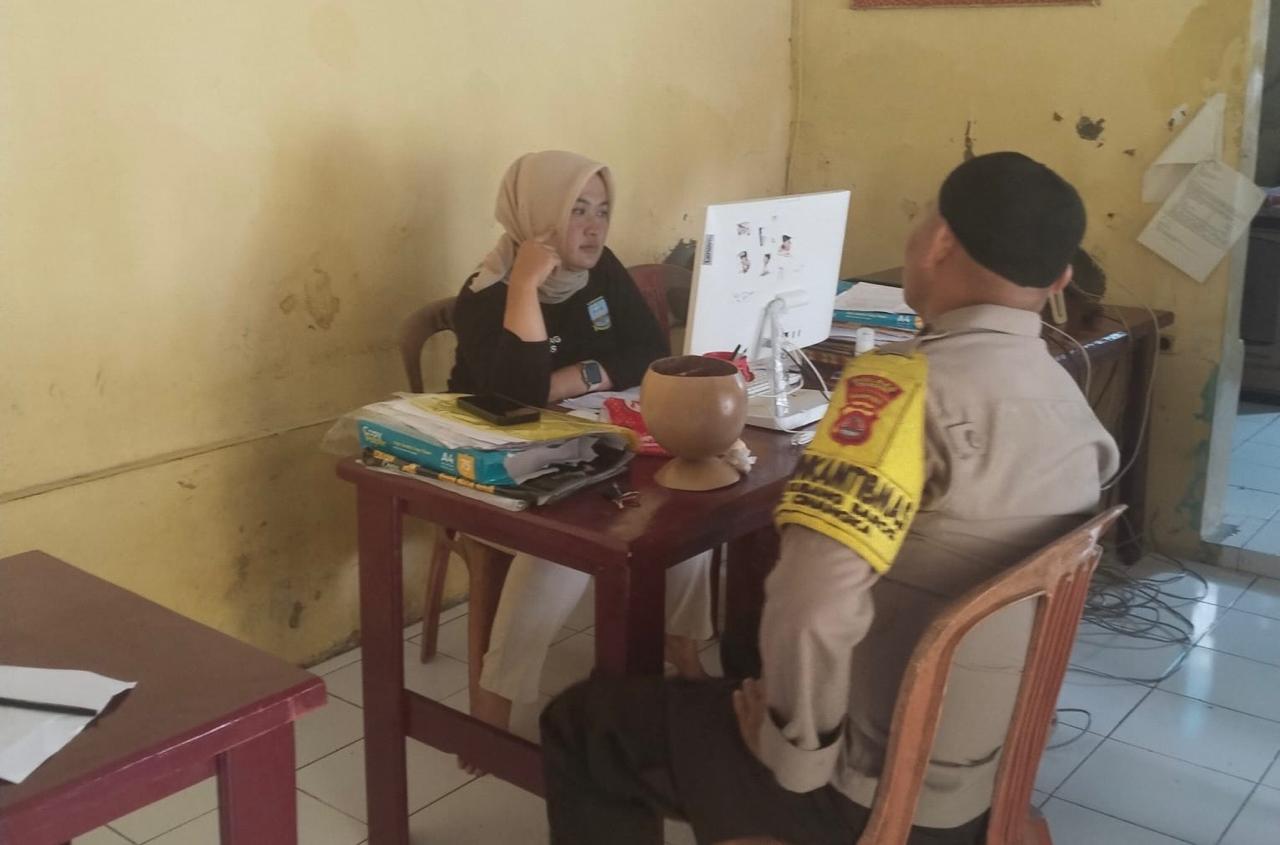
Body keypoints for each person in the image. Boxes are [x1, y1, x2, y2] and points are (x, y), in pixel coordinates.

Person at [539, 152, 1121, 845]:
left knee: (584, 726)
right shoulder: (1073, 405)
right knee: (747, 645)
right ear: (1058, 281)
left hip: (870, 796)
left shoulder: (898, 395)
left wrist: (792, 756)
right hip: (976, 782)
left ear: (939, 242)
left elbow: (811, 606)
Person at [448, 150, 712, 734]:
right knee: (568, 545)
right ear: (536, 216)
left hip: (581, 440)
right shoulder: (487, 294)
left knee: (690, 501)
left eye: (603, 210)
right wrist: (525, 287)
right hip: (492, 459)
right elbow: (518, 396)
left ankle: (680, 639)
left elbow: (649, 350)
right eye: (577, 210)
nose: (594, 227)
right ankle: (498, 694)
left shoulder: (598, 268)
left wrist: (571, 379)